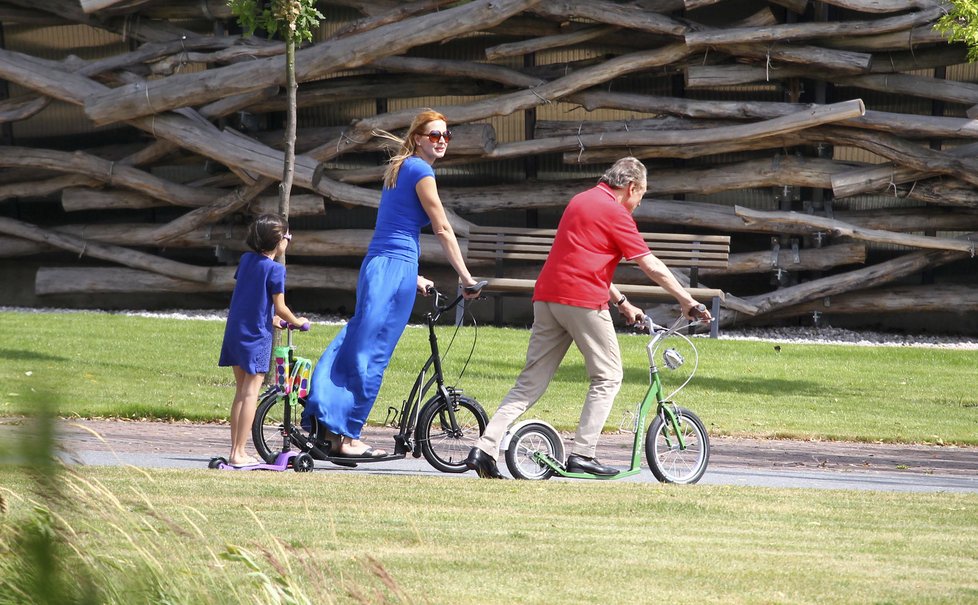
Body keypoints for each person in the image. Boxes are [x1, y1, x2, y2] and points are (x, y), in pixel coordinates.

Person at [465, 157, 713, 479]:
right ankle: (583, 454)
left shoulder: (580, 200)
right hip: (582, 301)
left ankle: (484, 448)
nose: (638, 203)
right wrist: (686, 300)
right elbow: (650, 265)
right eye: (641, 195)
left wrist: (622, 302)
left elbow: (582, 257)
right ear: (631, 187)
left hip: (548, 298)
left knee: (530, 382)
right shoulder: (616, 212)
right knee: (608, 377)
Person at [303, 108, 481, 458]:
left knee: (359, 342)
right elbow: (443, 228)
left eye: (446, 135)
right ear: (418, 138)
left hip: (385, 266)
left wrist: (412, 275)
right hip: (392, 267)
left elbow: (393, 227)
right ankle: (347, 436)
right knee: (373, 352)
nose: (442, 141)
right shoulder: (420, 170)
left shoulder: (399, 167)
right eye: (435, 135)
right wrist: (466, 276)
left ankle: (333, 425)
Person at [219, 213, 308, 467]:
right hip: (256, 337)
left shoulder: (246, 261)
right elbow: (280, 306)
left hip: (237, 332)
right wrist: (298, 321)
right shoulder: (276, 270)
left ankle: (235, 450)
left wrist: (272, 319)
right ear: (280, 240)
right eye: (288, 236)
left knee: (240, 393)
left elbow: (251, 299)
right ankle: (239, 454)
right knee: (251, 394)